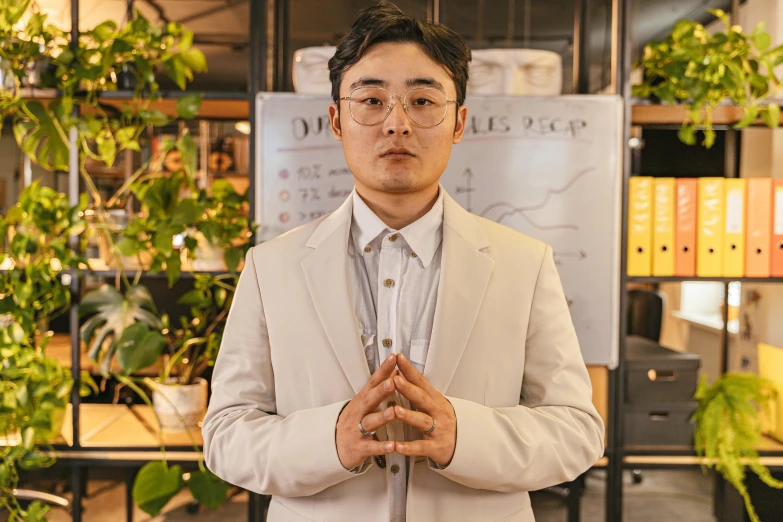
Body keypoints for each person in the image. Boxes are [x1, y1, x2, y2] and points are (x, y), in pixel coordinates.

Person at [202, 3, 604, 521]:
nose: (397, 123)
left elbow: (576, 430)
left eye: (422, 100)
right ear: (336, 120)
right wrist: (330, 440)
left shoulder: (524, 265)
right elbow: (226, 433)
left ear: (458, 122)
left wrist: (465, 435)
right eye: (371, 100)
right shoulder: (269, 268)